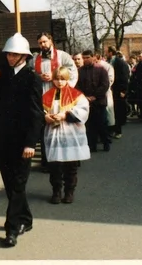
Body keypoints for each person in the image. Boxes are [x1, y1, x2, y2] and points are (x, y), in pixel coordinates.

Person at [0, 33, 44, 248]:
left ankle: (11, 229)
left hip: (22, 141)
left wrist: (30, 143)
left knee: (17, 184)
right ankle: (25, 219)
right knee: (10, 184)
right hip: (2, 139)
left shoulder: (32, 78)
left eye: (14, 54)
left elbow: (36, 114)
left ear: (23, 56)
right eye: (8, 54)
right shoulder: (4, 74)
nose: (10, 57)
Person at [42, 66, 90, 204]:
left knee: (71, 166)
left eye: (62, 79)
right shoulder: (47, 95)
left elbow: (83, 110)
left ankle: (69, 192)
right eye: (56, 79)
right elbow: (40, 110)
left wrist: (65, 115)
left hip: (71, 133)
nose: (59, 82)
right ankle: (56, 191)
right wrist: (46, 117)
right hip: (54, 133)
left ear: (67, 79)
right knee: (54, 166)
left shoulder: (76, 95)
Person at [32, 32, 77, 172]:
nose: (42, 45)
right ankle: (47, 162)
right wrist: (39, 77)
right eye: (40, 43)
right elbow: (30, 74)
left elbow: (72, 71)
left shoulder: (63, 56)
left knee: (61, 129)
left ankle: (65, 161)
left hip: (59, 96)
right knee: (45, 130)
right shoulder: (35, 58)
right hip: (43, 97)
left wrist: (55, 76)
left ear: (51, 40)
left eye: (45, 41)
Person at [76, 50, 111, 152]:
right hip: (86, 102)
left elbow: (105, 85)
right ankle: (92, 145)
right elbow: (77, 86)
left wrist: (95, 96)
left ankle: (106, 143)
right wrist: (83, 96)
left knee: (102, 124)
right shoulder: (80, 71)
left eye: (88, 57)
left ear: (93, 57)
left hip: (99, 102)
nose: (86, 60)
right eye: (84, 58)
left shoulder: (101, 69)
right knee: (90, 126)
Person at [108, 49, 130, 138]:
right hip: (113, 90)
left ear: (110, 53)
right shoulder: (111, 61)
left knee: (118, 111)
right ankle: (113, 129)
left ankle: (118, 131)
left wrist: (124, 90)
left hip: (119, 90)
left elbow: (125, 77)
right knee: (113, 111)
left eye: (107, 52)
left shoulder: (120, 63)